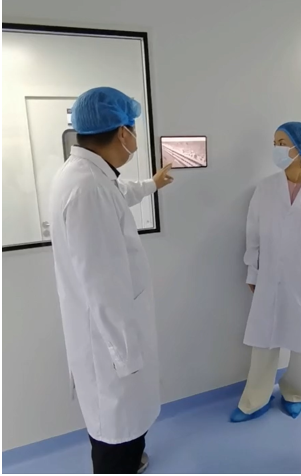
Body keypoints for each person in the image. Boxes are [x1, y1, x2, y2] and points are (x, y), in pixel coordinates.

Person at [49, 87, 174, 474]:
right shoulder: (88, 189)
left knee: (123, 423)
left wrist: (153, 183)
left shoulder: (87, 175)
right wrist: (126, 357)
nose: (134, 138)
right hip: (111, 346)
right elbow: (104, 287)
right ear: (123, 132)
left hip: (111, 336)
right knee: (115, 431)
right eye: (133, 129)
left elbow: (120, 193)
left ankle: (132, 459)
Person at [231, 122, 301, 423]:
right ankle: (254, 400)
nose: (277, 148)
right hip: (270, 277)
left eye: (282, 142)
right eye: (274, 143)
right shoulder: (266, 188)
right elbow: (253, 234)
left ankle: (295, 393)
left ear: (300, 146)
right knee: (264, 340)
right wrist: (252, 272)